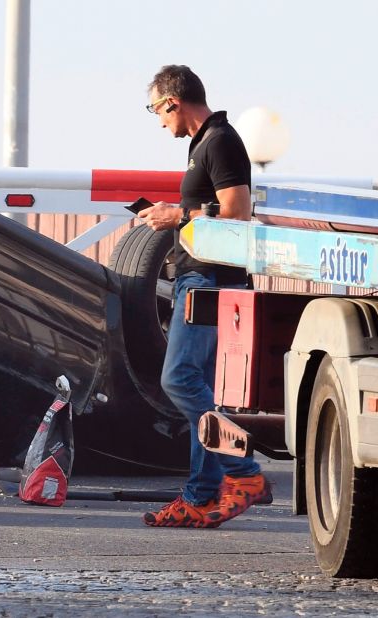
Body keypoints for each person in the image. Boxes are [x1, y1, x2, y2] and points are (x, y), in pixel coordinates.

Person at [137, 65, 271, 528]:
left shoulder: (220, 140)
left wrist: (177, 215)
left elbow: (237, 210)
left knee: (179, 381)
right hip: (204, 279)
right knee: (204, 394)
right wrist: (177, 214)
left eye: (156, 109)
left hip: (210, 281)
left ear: (173, 101)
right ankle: (199, 495)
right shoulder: (204, 144)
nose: (157, 120)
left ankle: (244, 472)